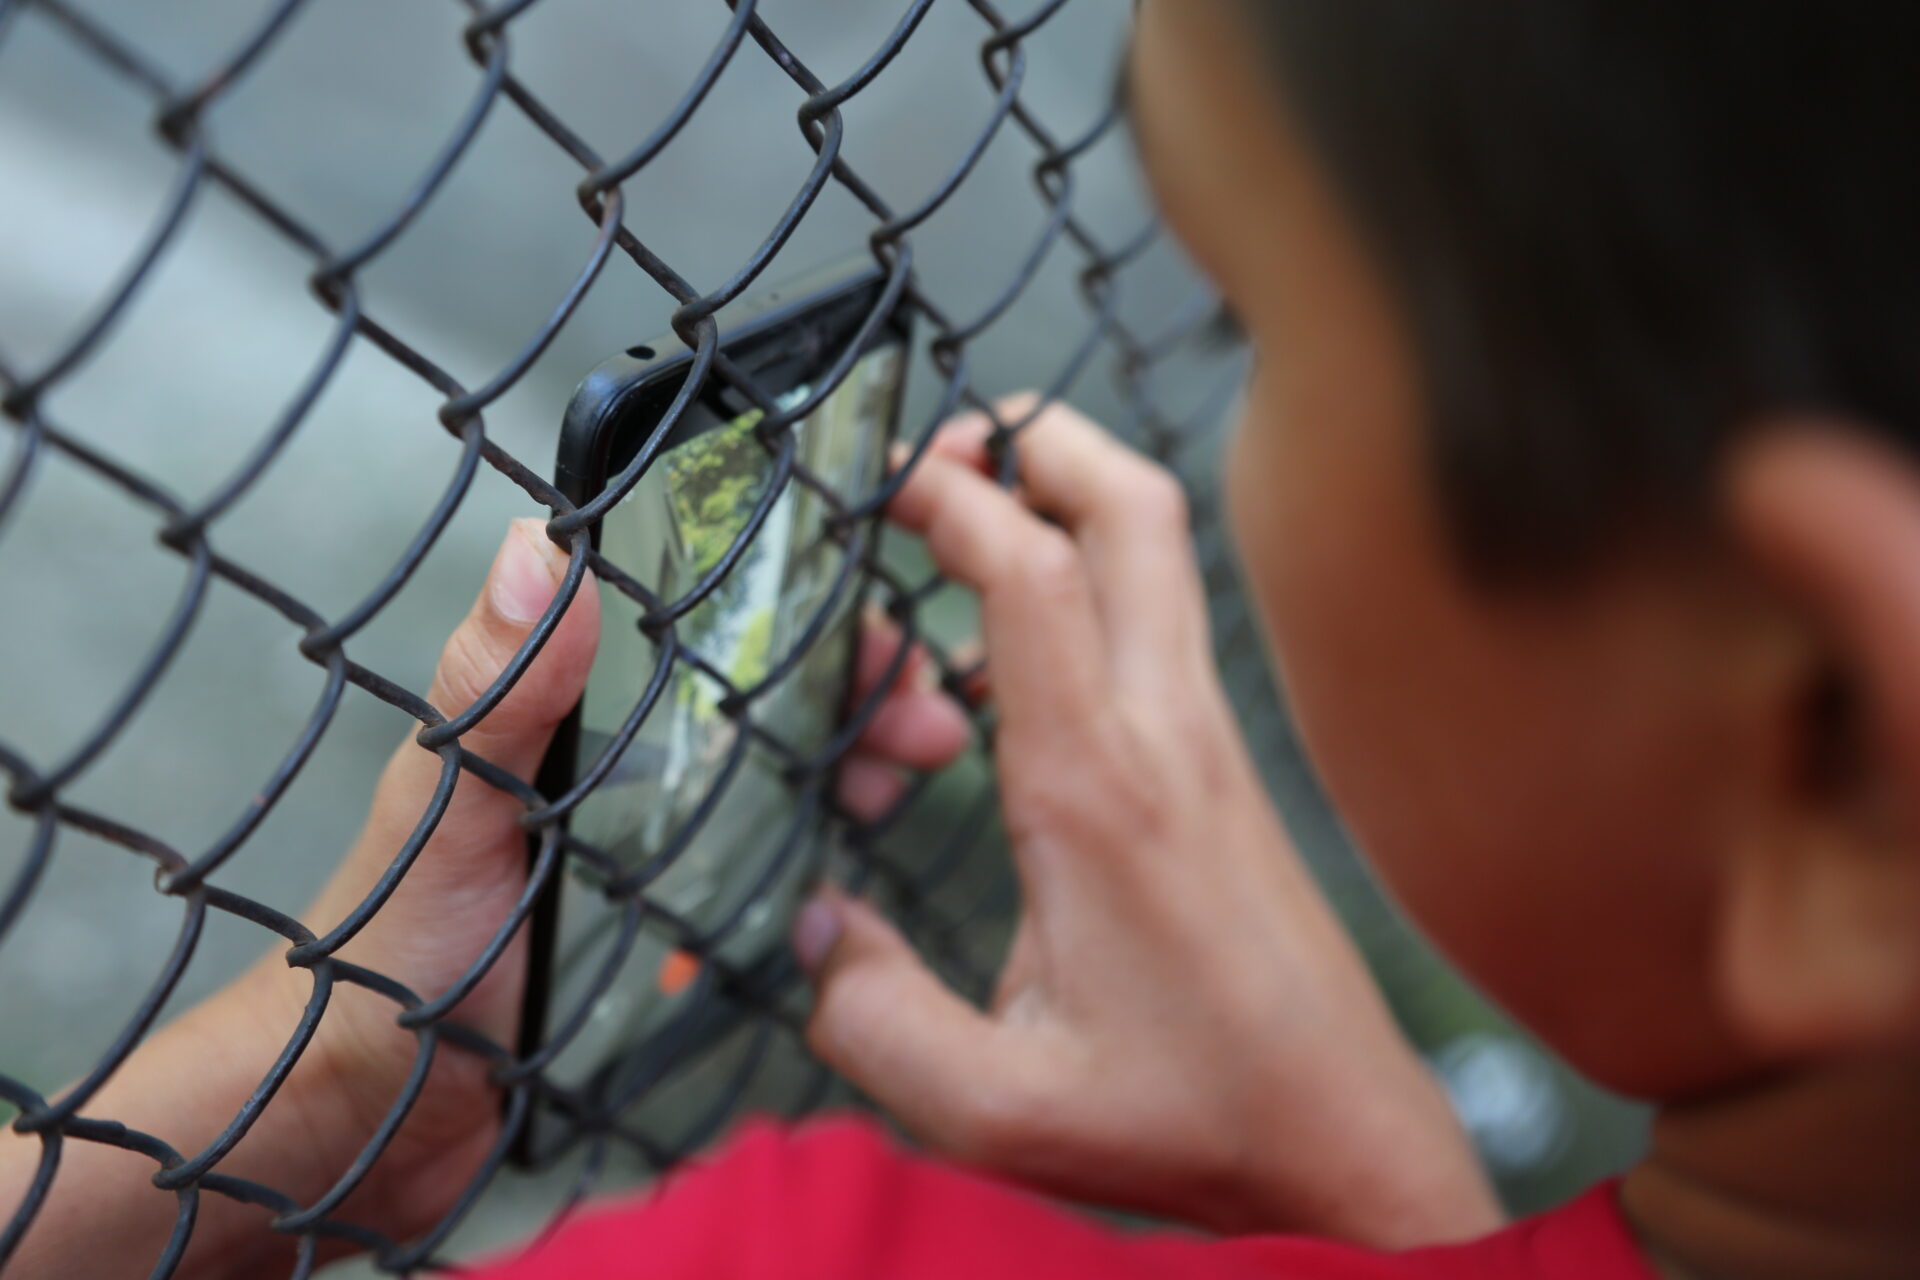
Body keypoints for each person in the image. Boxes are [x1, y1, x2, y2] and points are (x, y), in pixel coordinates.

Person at [7, 0, 1920, 1275]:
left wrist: (334, 1074)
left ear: (1825, 739)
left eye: (1251, 317)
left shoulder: (815, 1254)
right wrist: (1398, 1201)